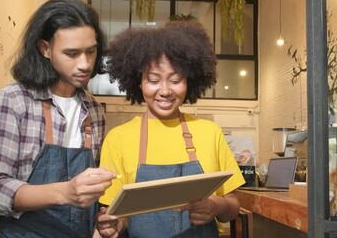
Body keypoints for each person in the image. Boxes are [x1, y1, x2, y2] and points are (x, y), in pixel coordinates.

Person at [95, 21, 245, 238]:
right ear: (138, 82)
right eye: (153, 80)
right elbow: (117, 215)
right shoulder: (118, 139)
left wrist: (216, 205)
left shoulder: (210, 133)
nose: (165, 91)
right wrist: (113, 225)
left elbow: (232, 207)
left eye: (175, 80)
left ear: (189, 81)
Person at [0, 0, 116, 237]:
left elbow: (88, 193)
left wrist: (102, 221)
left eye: (91, 51)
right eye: (71, 53)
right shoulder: (14, 101)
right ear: (45, 49)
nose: (85, 64)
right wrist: (65, 193)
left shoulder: (93, 109)